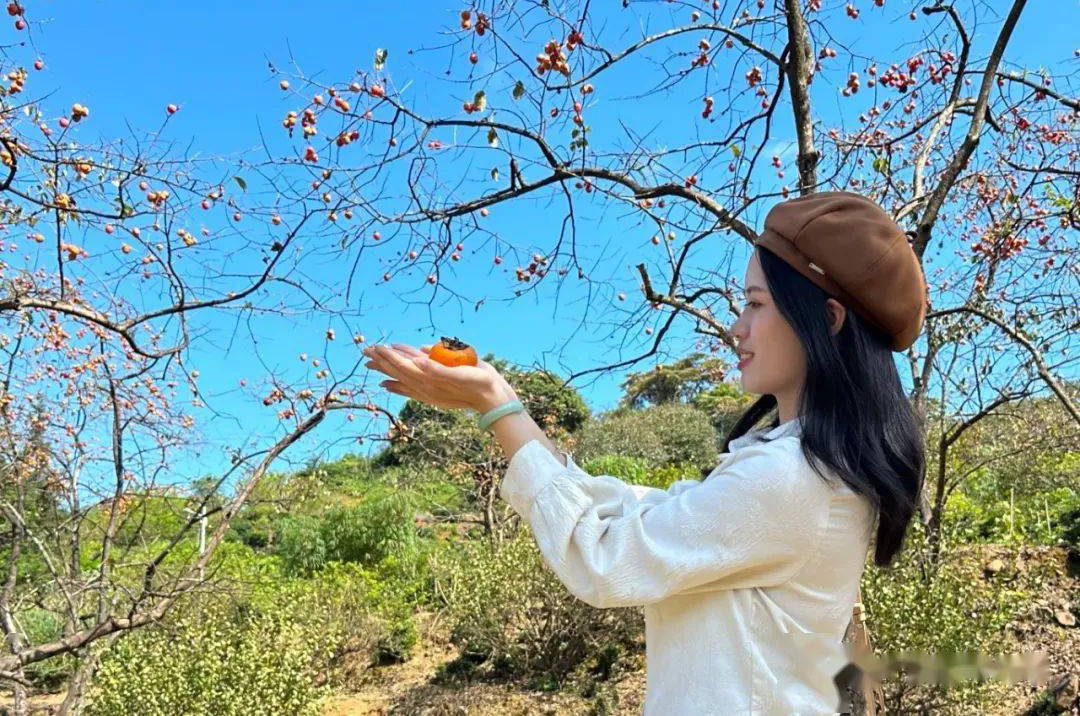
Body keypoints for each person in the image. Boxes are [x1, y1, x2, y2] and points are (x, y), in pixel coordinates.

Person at [362, 189, 928, 715]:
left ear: (827, 320)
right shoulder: (802, 468)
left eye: (756, 304)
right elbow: (636, 510)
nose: (737, 328)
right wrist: (500, 409)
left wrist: (498, 404)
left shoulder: (791, 479)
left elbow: (604, 557)